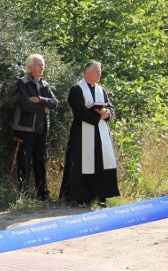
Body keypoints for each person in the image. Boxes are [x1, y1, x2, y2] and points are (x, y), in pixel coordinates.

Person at [59, 61, 120, 206]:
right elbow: (79, 111)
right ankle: (79, 197)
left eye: (100, 72)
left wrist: (108, 114)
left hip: (100, 134)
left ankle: (100, 196)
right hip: (82, 134)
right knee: (80, 164)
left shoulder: (101, 90)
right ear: (87, 72)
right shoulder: (76, 90)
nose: (100, 74)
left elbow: (110, 107)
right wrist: (98, 116)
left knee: (101, 163)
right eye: (97, 72)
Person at [10, 54, 59, 200]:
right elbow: (25, 105)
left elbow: (55, 103)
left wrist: (39, 99)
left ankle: (43, 194)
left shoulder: (45, 85)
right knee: (24, 162)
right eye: (39, 65)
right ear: (30, 67)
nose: (42, 68)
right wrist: (43, 108)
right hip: (24, 129)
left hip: (41, 129)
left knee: (40, 161)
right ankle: (23, 195)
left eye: (43, 66)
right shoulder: (22, 83)